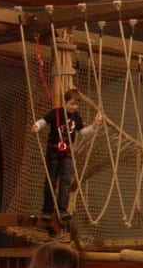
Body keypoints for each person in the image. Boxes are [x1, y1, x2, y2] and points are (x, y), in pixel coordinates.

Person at [31, 88, 102, 222]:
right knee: (51, 181)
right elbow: (43, 121)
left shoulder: (76, 116)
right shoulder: (56, 113)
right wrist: (36, 126)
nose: (73, 107)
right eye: (71, 104)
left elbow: (82, 131)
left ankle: (62, 209)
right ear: (65, 102)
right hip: (54, 151)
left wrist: (94, 125)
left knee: (65, 180)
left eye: (76, 104)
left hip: (67, 153)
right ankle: (47, 210)